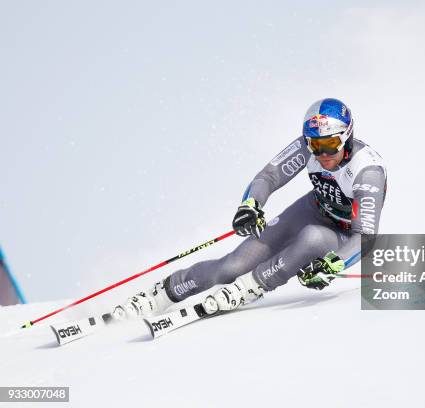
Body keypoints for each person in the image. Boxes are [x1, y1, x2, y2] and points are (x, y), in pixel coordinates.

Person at [112, 98, 387, 320]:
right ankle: (163, 293)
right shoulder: (310, 146)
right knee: (232, 266)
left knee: (312, 239)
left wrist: (333, 264)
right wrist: (250, 206)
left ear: (347, 136)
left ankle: (250, 287)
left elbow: (364, 237)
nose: (321, 154)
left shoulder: (367, 171)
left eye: (329, 145)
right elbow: (268, 177)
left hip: (341, 233)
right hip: (311, 209)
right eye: (314, 145)